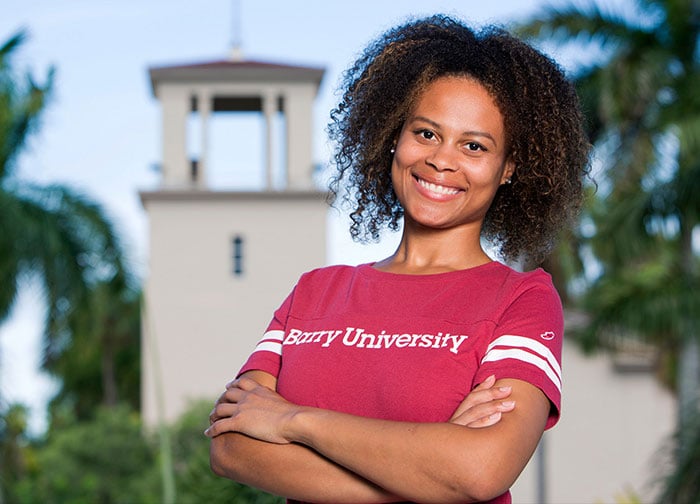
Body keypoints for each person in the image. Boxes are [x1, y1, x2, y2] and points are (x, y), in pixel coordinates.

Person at [205, 14, 590, 504]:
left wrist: (292, 420)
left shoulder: (521, 299)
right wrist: (427, 476)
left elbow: (481, 470)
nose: (441, 159)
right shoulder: (314, 292)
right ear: (394, 135)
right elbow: (231, 446)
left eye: (474, 146)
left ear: (508, 168)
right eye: (426, 133)